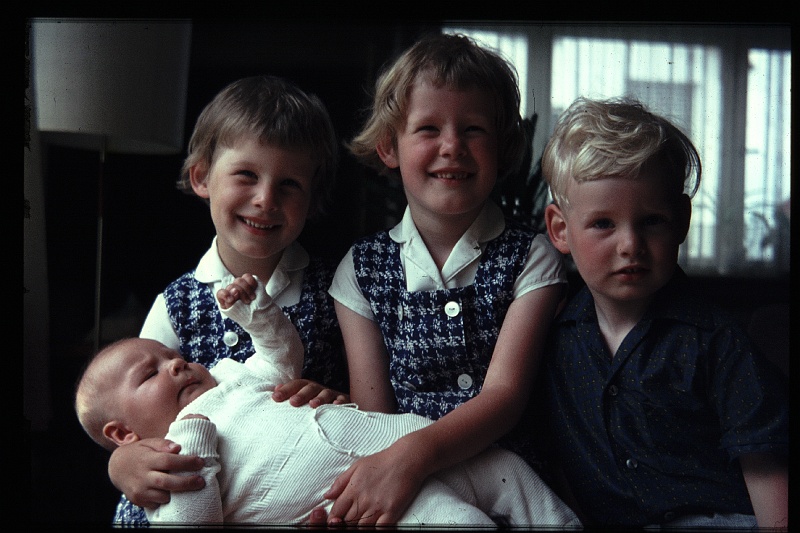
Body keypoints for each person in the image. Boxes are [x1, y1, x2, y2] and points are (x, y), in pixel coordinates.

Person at [76, 274, 581, 527]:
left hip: (403, 439)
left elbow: (280, 354)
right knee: (459, 521)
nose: (176, 364)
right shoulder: (173, 455)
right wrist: (192, 441)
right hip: (357, 496)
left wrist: (255, 312)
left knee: (508, 471)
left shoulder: (231, 378)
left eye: (171, 356)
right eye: (151, 373)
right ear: (123, 434)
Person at [326, 33, 568, 526]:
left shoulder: (532, 257)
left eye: (474, 129)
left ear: (503, 149)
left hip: (515, 484)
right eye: (428, 128)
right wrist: (402, 471)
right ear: (389, 147)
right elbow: (373, 416)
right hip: (405, 481)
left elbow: (504, 399)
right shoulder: (360, 271)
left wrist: (415, 457)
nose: (452, 147)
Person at [107, 75, 349, 526]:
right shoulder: (176, 304)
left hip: (300, 490)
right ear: (201, 178)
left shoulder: (337, 287)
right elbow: (131, 414)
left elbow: (369, 399)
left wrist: (340, 399)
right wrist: (120, 464)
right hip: (202, 492)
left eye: (290, 184)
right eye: (246, 175)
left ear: (312, 197)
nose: (265, 199)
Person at [538, 96, 789, 529]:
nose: (630, 244)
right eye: (603, 224)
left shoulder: (715, 339)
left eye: (652, 220)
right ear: (561, 230)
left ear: (682, 221)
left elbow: (765, 467)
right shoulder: (554, 338)